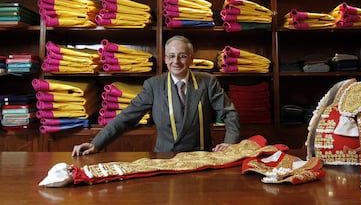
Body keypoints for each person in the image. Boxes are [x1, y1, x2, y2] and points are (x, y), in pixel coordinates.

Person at [72, 35, 240, 156]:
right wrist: (96, 143)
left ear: (191, 59)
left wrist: (230, 143)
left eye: (182, 56)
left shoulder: (208, 82)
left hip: (201, 158)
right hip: (165, 158)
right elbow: (126, 118)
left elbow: (229, 113)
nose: (177, 61)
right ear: (165, 59)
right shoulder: (153, 85)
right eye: (172, 56)